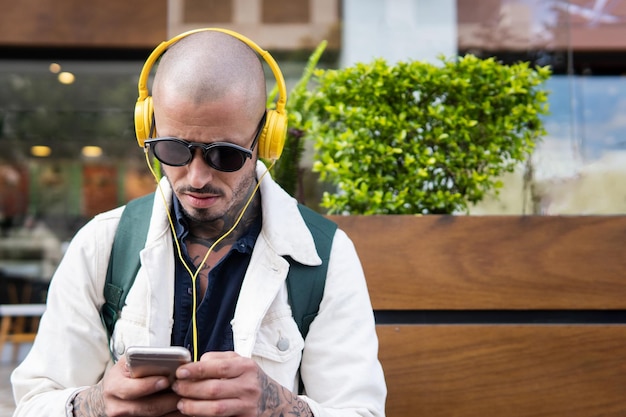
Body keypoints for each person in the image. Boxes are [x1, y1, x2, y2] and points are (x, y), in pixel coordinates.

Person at [11, 29, 387, 417]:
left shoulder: (326, 257)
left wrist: (279, 407)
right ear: (149, 131)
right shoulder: (102, 244)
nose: (196, 178)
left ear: (266, 141)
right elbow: (33, 405)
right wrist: (95, 403)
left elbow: (361, 411)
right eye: (172, 150)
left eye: (224, 155)